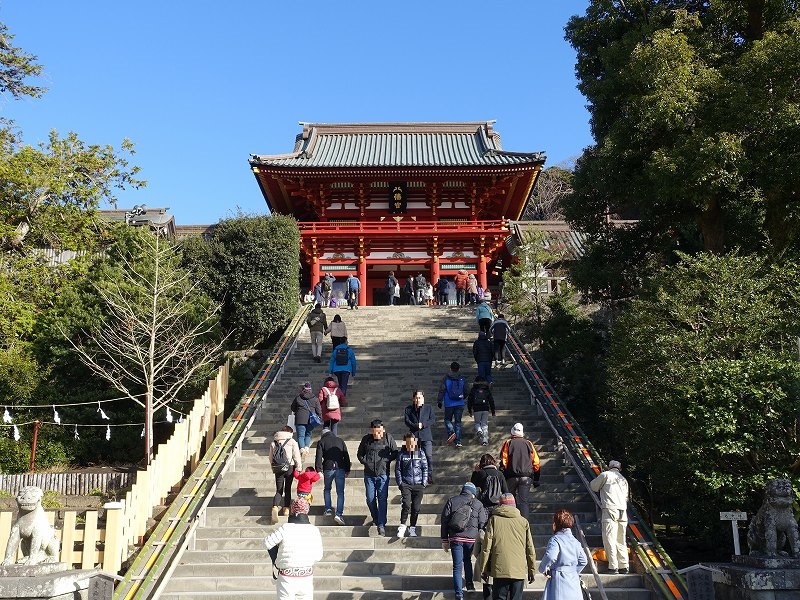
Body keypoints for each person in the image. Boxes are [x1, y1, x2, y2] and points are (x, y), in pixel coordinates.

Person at [264, 497, 324, 600]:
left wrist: (276, 559)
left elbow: (267, 542)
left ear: (292, 510)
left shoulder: (285, 528)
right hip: (306, 576)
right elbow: (319, 556)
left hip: (287, 576)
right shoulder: (314, 530)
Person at [479, 493, 536, 600]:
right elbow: (530, 548)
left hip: (500, 569)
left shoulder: (493, 520)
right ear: (514, 505)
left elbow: (486, 547)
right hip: (518, 570)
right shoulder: (523, 522)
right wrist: (531, 570)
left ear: (500, 505)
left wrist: (483, 569)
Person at [441, 482, 488, 600]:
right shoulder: (478, 503)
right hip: (472, 539)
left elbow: (444, 521)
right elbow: (482, 522)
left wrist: (444, 540)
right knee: (468, 560)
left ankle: (458, 594)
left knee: (457, 566)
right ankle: (470, 585)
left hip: (456, 538)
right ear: (473, 493)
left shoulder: (452, 501)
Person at [356, 419, 398, 537]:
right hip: (369, 474)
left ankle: (381, 525)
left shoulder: (388, 438)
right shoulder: (366, 439)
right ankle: (376, 517)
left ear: (383, 429)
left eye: (379, 432)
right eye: (375, 432)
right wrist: (366, 462)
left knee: (382, 499)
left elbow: (395, 452)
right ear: (372, 431)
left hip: (383, 474)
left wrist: (386, 460)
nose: (378, 435)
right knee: (370, 499)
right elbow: (359, 454)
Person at [589, 459, 630, 574]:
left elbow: (593, 486)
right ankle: (624, 565)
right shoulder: (623, 479)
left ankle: (613, 566)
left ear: (609, 466)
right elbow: (626, 497)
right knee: (621, 539)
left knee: (609, 538)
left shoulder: (605, 475)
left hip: (610, 509)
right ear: (619, 469)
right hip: (623, 510)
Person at [539, 509, 588, 600]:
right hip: (573, 578)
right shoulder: (575, 541)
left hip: (559, 578)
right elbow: (584, 561)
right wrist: (573, 570)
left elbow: (550, 556)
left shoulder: (556, 539)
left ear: (556, 524)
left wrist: (543, 568)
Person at [499, 423, 540, 520]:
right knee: (524, 502)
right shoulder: (529, 443)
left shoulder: (508, 443)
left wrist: (503, 475)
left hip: (511, 476)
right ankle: (524, 524)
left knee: (510, 500)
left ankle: (512, 521)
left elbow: (504, 461)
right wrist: (536, 478)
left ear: (512, 432)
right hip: (526, 477)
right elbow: (536, 462)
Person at [395, 432, 428, 537]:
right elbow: (397, 469)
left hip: (418, 485)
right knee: (406, 505)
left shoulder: (421, 453)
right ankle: (402, 525)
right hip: (406, 484)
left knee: (416, 508)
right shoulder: (402, 454)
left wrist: (424, 482)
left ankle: (412, 527)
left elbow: (425, 468)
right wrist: (400, 483)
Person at [315, 426, 350, 525]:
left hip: (328, 468)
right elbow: (346, 455)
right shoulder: (340, 440)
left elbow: (318, 456)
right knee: (340, 492)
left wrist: (318, 469)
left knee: (327, 489)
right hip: (340, 468)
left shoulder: (322, 442)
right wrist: (347, 469)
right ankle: (339, 514)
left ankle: (328, 509)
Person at [269, 425, 303, 524]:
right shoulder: (292, 442)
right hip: (289, 467)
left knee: (279, 489)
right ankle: (286, 509)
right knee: (287, 488)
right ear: (290, 433)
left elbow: (271, 457)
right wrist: (299, 467)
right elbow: (296, 456)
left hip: (278, 468)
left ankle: (275, 507)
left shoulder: (274, 442)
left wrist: (273, 467)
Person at [403, 389, 436, 483]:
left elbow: (432, 419)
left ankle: (429, 476)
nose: (418, 400)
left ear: (423, 398)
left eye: (420, 398)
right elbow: (407, 421)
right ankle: (418, 476)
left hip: (426, 436)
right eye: (416, 398)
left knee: (428, 456)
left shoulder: (428, 408)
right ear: (414, 399)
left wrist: (424, 424)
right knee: (415, 457)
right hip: (414, 437)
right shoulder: (409, 409)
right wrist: (415, 425)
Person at [437, 361, 466, 448]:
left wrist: (439, 401)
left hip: (449, 403)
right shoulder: (462, 378)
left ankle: (451, 432)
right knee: (458, 422)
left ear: (450, 368)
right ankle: (458, 441)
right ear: (458, 369)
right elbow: (467, 389)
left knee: (447, 420)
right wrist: (462, 397)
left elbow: (442, 390)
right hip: (460, 403)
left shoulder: (446, 378)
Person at [291, 382, 322, 458]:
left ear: (303, 389)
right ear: (310, 389)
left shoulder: (298, 398)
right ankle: (307, 449)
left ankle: (302, 449)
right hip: (311, 420)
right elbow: (319, 410)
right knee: (308, 434)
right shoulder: (315, 399)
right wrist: (319, 417)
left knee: (301, 436)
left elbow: (292, 408)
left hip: (300, 419)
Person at [467, 376, 496, 446]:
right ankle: (485, 440)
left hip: (476, 409)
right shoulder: (487, 389)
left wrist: (470, 410)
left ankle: (479, 430)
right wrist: (493, 411)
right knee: (485, 424)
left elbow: (469, 400)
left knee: (477, 423)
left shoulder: (473, 389)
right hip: (485, 408)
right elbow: (491, 400)